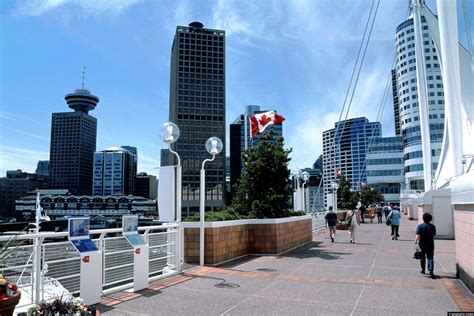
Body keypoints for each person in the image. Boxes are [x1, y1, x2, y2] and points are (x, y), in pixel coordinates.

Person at [415, 213, 437, 279]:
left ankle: (423, 270)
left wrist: (415, 242)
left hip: (422, 244)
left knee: (422, 257)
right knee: (430, 257)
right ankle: (431, 270)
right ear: (430, 219)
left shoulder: (420, 226)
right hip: (430, 244)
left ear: (423, 218)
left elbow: (418, 235)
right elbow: (434, 235)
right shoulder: (433, 226)